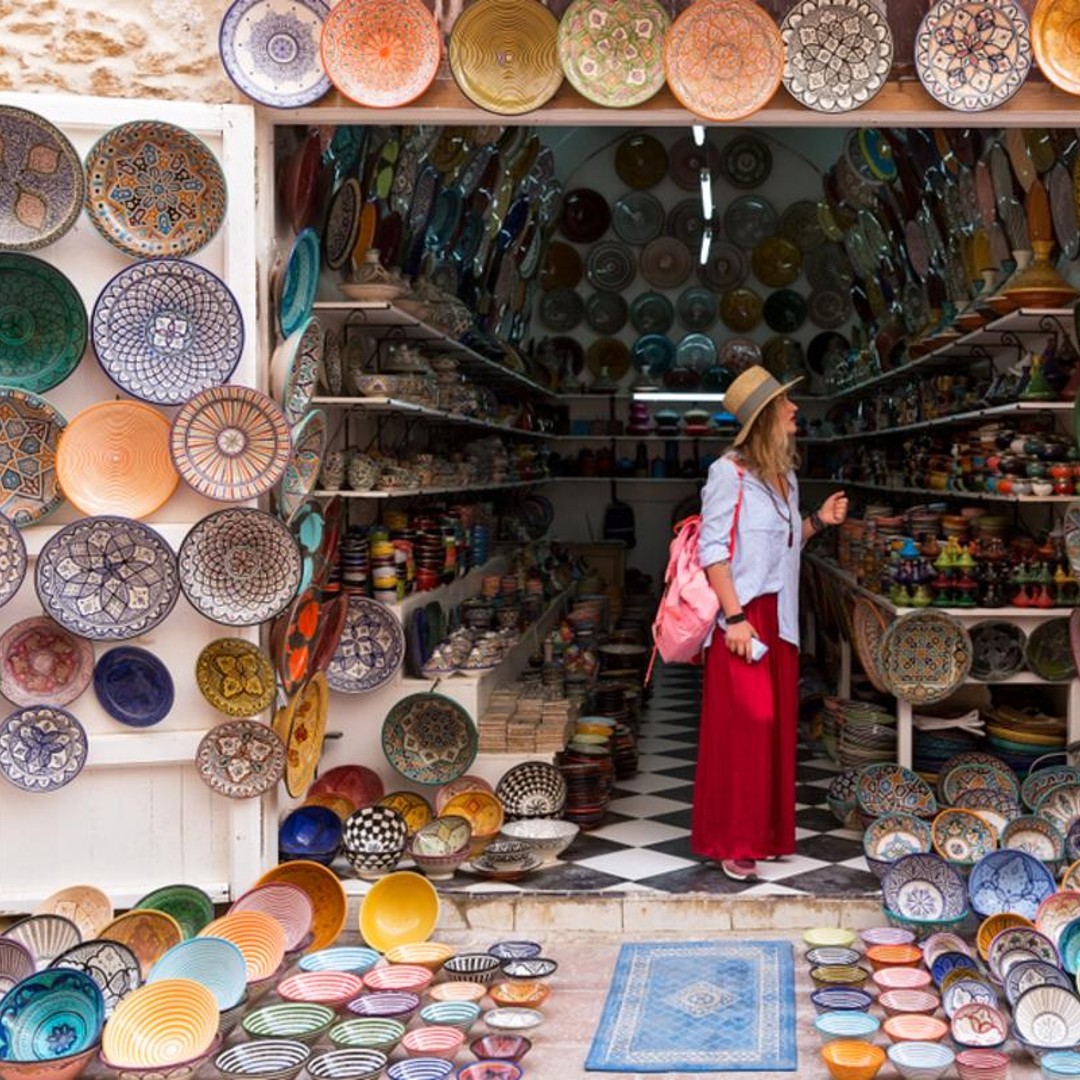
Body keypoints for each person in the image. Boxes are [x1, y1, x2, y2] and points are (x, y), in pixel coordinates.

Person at [692, 366, 848, 882]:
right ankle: (731, 840)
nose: (794, 410)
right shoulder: (728, 474)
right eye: (785, 404)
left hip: (779, 619)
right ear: (763, 419)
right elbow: (713, 552)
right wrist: (734, 617)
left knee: (776, 728)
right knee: (746, 726)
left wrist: (818, 520)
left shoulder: (786, 477)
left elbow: (784, 543)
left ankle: (768, 837)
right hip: (744, 616)